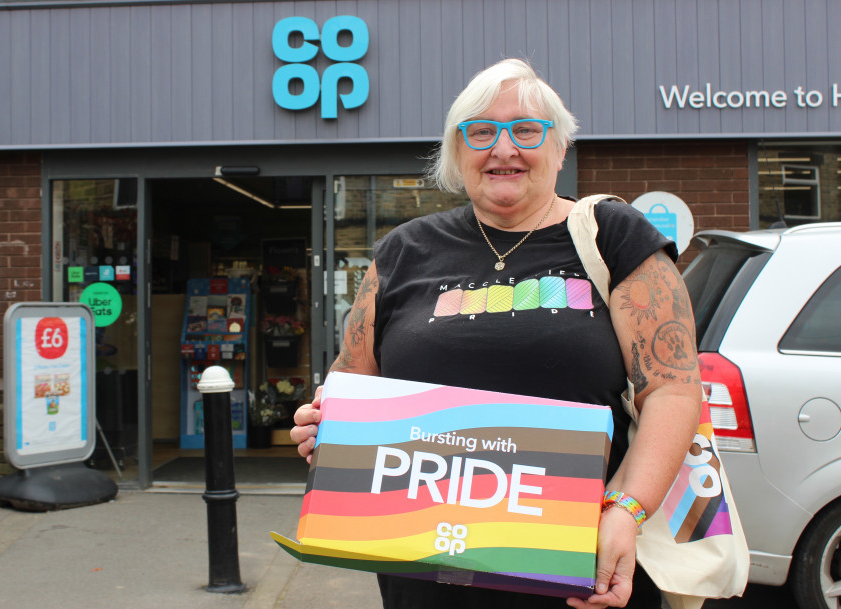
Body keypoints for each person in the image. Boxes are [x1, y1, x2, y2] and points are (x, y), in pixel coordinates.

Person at [290, 58, 702, 609]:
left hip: (580, 566)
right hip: (425, 568)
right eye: (481, 131)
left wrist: (627, 511)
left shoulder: (615, 237)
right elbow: (353, 379)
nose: (503, 149)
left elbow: (672, 389)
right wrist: (325, 426)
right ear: (457, 151)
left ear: (560, 148)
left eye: (526, 130)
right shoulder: (403, 251)